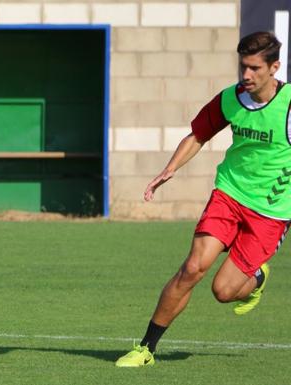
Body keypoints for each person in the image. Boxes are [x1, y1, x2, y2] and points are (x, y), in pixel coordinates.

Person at [116, 31, 290, 367]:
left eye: (254, 68)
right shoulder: (230, 99)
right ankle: (146, 349)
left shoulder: (289, 106)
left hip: (271, 211)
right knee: (193, 267)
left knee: (224, 291)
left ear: (275, 67)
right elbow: (198, 135)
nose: (246, 75)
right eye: (243, 67)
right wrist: (170, 169)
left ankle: (257, 278)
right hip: (230, 194)